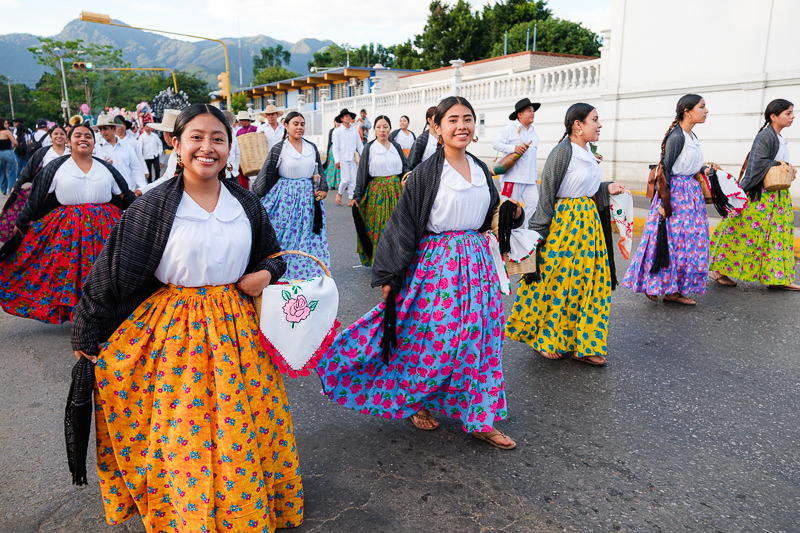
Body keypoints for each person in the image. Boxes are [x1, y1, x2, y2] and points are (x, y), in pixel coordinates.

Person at [70, 104, 303, 531]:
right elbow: (111, 274)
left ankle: (242, 509)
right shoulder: (153, 207)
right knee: (186, 431)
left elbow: (275, 255)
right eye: (196, 137)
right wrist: (87, 335)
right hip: (178, 334)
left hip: (239, 334)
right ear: (175, 144)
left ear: (230, 148)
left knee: (245, 426)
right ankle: (190, 515)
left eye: (218, 138)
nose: (207, 148)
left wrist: (266, 273)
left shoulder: (246, 202)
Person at [317, 96, 519, 450]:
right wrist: (391, 277)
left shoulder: (481, 169)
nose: (462, 126)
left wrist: (510, 217)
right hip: (437, 268)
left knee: (483, 341)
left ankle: (481, 417)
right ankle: (420, 399)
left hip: (478, 267)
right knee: (435, 340)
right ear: (436, 128)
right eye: (453, 119)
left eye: (468, 119)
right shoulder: (425, 175)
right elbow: (403, 226)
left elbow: (490, 215)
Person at [505, 103, 626, 366]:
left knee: (592, 282)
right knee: (559, 281)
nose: (599, 125)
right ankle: (548, 338)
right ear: (578, 125)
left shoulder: (589, 152)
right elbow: (547, 194)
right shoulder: (562, 152)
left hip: (590, 225)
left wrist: (607, 188)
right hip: (565, 225)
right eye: (595, 119)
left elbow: (588, 188)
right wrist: (538, 235)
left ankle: (587, 343)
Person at [0, 123, 134, 323]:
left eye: (88, 136)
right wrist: (22, 221)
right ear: (70, 142)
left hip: (105, 231)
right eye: (77, 135)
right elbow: (36, 198)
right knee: (72, 273)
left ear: (94, 142)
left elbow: (126, 196)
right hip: (69, 232)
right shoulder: (56, 167)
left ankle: (104, 312)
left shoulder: (106, 168)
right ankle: (81, 315)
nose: (83, 139)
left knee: (106, 272)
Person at [622, 94, 711, 305]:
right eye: (702, 107)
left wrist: (705, 168)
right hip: (675, 196)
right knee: (668, 242)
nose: (706, 111)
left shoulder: (692, 137)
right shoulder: (677, 136)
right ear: (687, 112)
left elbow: (689, 165)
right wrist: (663, 203)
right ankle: (656, 284)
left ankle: (675, 290)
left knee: (688, 244)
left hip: (691, 197)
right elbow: (666, 170)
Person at [710, 98, 799, 290]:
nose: (792, 117)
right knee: (743, 232)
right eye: (788, 113)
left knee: (777, 235)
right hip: (760, 194)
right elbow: (758, 163)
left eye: (792, 113)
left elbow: (773, 162)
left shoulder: (779, 138)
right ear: (774, 116)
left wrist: (787, 169)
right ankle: (718, 269)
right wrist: (780, 165)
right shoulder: (765, 136)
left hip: (778, 195)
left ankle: (777, 278)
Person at [253, 111, 330, 279]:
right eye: (295, 124)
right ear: (286, 126)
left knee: (310, 235)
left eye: (302, 124)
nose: (300, 127)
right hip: (285, 199)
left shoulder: (311, 147)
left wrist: (322, 188)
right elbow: (266, 175)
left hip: (309, 200)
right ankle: (282, 273)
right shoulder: (280, 148)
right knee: (283, 235)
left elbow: (318, 171)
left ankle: (310, 275)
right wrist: (254, 198)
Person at [351, 115, 409, 266]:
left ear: (390, 128)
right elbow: (362, 173)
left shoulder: (396, 146)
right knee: (380, 227)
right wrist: (357, 196)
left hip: (397, 192)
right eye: (378, 127)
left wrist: (409, 180)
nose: (382, 130)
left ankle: (397, 259)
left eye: (385, 126)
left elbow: (405, 167)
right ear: (374, 129)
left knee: (398, 226)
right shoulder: (370, 148)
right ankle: (381, 261)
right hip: (377, 193)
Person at [0, 125, 69, 243]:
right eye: (56, 134)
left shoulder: (72, 151)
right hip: (47, 192)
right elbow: (29, 170)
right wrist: (18, 185)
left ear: (66, 137)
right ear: (51, 137)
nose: (59, 136)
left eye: (62, 134)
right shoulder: (44, 152)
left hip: (67, 192)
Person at [493, 98, 541, 229]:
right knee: (510, 208)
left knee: (534, 203)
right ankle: (505, 235)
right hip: (512, 178)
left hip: (529, 179)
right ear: (520, 114)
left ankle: (521, 229)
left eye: (533, 111)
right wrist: (513, 148)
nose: (532, 113)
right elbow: (496, 144)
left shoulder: (533, 132)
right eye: (529, 111)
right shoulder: (509, 129)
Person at [94, 115, 147, 194]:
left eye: (105, 128)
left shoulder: (127, 147)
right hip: (109, 193)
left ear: (114, 129)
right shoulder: (97, 148)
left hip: (128, 190)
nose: (103, 132)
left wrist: (143, 187)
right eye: (100, 129)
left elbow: (136, 168)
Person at [139, 109, 180, 193]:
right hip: (147, 157)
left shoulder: (179, 154)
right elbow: (167, 177)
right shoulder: (175, 153)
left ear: (169, 134)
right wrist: (143, 190)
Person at [331, 108, 363, 205]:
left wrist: (364, 156)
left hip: (353, 158)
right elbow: (335, 147)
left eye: (349, 116)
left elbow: (359, 145)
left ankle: (350, 198)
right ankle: (340, 193)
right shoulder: (337, 131)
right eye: (346, 116)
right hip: (342, 159)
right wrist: (337, 160)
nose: (348, 118)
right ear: (341, 119)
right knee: (346, 179)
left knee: (354, 179)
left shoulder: (354, 130)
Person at [116, 117, 148, 183]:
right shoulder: (111, 142)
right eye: (118, 125)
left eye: (122, 125)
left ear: (125, 126)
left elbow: (139, 157)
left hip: (131, 174)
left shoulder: (132, 141)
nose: (120, 128)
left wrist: (145, 171)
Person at [0, 117, 18, 195]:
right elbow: (15, 142)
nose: (7, 125)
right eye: (6, 123)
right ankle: (11, 189)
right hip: (8, 152)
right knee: (11, 172)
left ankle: (3, 189)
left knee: (1, 172)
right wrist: (15, 143)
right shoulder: (7, 132)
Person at [322, 116, 342, 189]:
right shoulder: (332, 131)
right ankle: (331, 183)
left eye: (340, 122)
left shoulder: (342, 130)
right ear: (334, 122)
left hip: (340, 150)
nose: (339, 124)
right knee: (332, 167)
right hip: (332, 150)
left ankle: (338, 183)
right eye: (337, 122)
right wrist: (328, 153)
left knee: (339, 167)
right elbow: (329, 142)